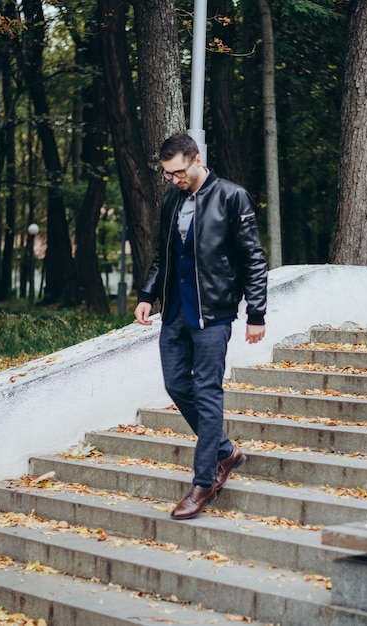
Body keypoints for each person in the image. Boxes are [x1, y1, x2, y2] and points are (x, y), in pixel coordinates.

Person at [135, 133, 267, 520]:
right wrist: (147, 295)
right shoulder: (171, 198)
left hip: (214, 313)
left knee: (207, 391)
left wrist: (256, 313)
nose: (174, 179)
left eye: (178, 171)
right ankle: (226, 450)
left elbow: (253, 259)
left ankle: (204, 480)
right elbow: (162, 252)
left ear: (196, 159)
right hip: (175, 311)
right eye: (168, 174)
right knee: (176, 384)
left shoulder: (231, 197)